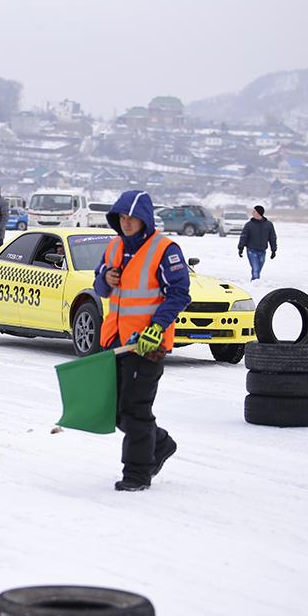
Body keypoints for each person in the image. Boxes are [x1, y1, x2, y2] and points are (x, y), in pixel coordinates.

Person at [92, 190, 191, 492]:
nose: (126, 223)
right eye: (122, 217)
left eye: (132, 218)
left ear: (145, 219)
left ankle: (136, 475)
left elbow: (179, 294)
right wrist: (105, 279)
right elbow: (100, 287)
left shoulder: (165, 250)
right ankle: (159, 444)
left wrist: (157, 327)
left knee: (135, 410)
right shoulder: (114, 247)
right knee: (115, 411)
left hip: (147, 345)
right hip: (116, 342)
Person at [238, 205, 277, 281]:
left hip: (262, 250)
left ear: (259, 213)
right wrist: (241, 248)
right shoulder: (249, 225)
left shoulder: (268, 225)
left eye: (254, 211)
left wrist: (273, 250)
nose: (252, 212)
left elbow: (272, 237)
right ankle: (255, 283)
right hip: (251, 250)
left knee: (258, 269)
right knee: (255, 269)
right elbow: (244, 236)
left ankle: (255, 282)